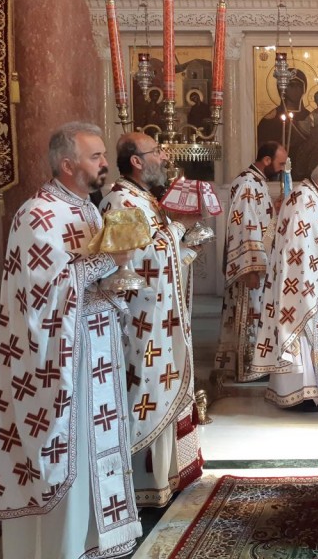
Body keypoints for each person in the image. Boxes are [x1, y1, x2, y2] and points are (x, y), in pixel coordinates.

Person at [0, 122, 142, 558]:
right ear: (68, 165)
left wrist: (117, 281)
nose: (106, 163)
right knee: (71, 447)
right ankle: (63, 547)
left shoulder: (88, 210)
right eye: (96, 157)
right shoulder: (37, 214)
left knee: (99, 443)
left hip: (96, 346)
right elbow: (43, 293)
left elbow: (89, 278)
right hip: (62, 357)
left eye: (103, 155)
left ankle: (99, 538)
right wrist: (108, 261)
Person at [100, 133, 204, 507]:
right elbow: (135, 259)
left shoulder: (145, 199)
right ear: (136, 161)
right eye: (156, 152)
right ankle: (142, 483)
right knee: (144, 393)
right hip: (139, 323)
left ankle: (166, 476)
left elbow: (160, 253)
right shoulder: (120, 200)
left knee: (163, 387)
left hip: (160, 319)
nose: (163, 156)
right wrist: (177, 228)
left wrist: (184, 242)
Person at [251, 159, 318, 411]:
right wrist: (308, 285)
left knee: (305, 336)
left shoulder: (305, 196)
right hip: (299, 283)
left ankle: (301, 392)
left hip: (302, 280)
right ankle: (299, 395)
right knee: (300, 334)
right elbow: (297, 248)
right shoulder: (305, 201)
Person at [213, 141, 288, 384]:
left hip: (259, 260)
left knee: (257, 314)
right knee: (250, 314)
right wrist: (251, 268)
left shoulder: (257, 182)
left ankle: (255, 364)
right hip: (251, 265)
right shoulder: (247, 183)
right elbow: (244, 226)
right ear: (266, 160)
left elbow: (260, 221)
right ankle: (249, 368)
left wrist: (274, 208)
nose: (281, 169)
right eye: (279, 164)